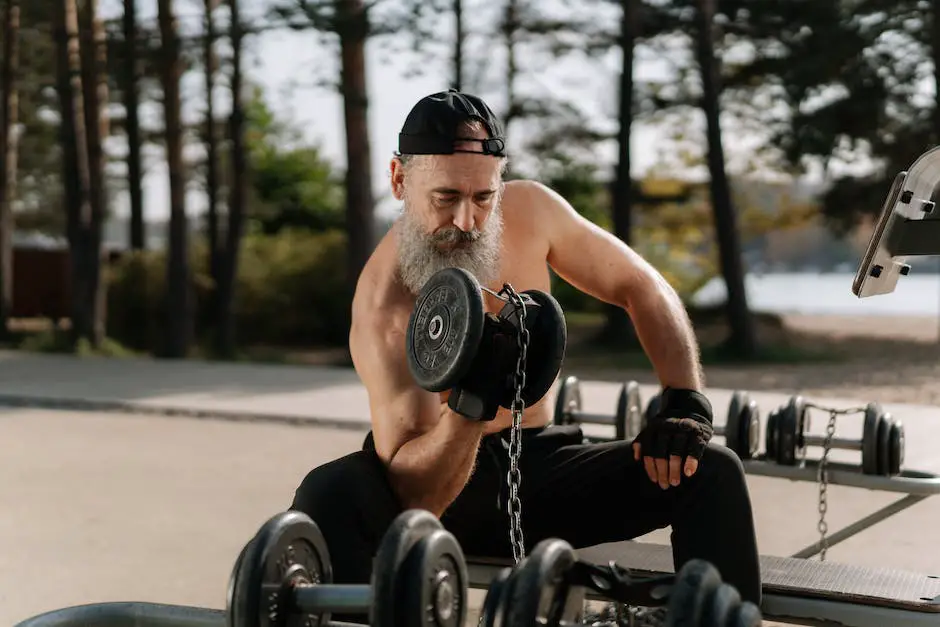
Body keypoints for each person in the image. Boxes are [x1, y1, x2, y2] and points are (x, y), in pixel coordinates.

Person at [290, 89, 762, 611]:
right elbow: (419, 498)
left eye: (483, 198)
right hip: (453, 496)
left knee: (709, 470)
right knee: (333, 490)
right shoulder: (386, 306)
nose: (467, 222)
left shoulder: (531, 210)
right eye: (445, 198)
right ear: (400, 179)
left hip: (542, 463)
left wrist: (684, 400)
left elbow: (641, 285)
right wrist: (473, 405)